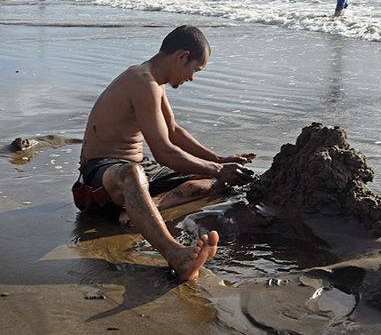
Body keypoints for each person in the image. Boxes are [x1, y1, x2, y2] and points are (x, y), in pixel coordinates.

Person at [74, 25, 256, 281]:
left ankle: (144, 207)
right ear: (181, 57)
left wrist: (218, 161)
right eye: (196, 69)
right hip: (100, 176)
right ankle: (175, 254)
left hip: (138, 168)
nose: (193, 77)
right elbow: (163, 152)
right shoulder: (141, 80)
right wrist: (216, 167)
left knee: (218, 181)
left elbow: (173, 131)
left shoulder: (155, 83)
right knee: (133, 174)